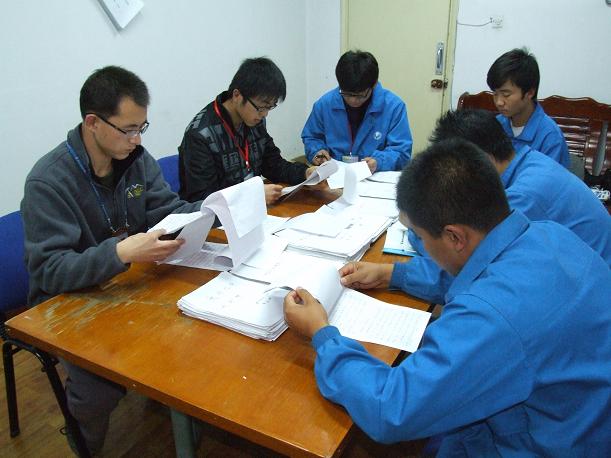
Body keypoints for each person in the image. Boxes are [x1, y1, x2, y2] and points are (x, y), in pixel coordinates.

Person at [283, 139, 611, 456]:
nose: (423, 248)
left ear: (454, 236)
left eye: (420, 237)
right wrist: (392, 274)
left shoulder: (492, 317)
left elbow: (390, 408)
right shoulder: (549, 233)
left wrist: (321, 334)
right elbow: (479, 272)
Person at [21, 65, 203, 454]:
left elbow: (167, 210)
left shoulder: (135, 159)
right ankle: (85, 443)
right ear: (93, 123)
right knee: (100, 388)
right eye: (128, 129)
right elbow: (49, 270)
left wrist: (218, 208)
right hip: (65, 300)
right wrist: (120, 252)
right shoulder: (48, 181)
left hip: (125, 283)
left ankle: (173, 404)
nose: (137, 140)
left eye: (142, 128)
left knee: (193, 327)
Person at [405, 110, 610, 299]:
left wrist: (418, 231)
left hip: (589, 296)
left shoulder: (524, 196)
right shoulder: (529, 162)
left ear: (482, 160)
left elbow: (469, 271)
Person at [178, 57, 315, 204]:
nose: (264, 114)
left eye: (269, 107)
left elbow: (273, 165)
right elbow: (203, 200)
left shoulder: (254, 120)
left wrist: (305, 173)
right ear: (237, 95)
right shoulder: (200, 135)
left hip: (253, 209)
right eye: (261, 107)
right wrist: (251, 196)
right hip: (219, 216)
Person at [301, 50, 412, 172]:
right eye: (347, 94)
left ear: (374, 84)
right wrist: (317, 151)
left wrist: (379, 162)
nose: (353, 100)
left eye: (360, 95)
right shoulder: (324, 104)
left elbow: (401, 151)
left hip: (375, 176)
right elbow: (311, 137)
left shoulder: (394, 107)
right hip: (335, 175)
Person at [487, 48, 570, 168]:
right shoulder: (496, 126)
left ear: (530, 93)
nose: (499, 102)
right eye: (495, 93)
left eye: (506, 94)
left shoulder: (550, 137)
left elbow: (548, 179)